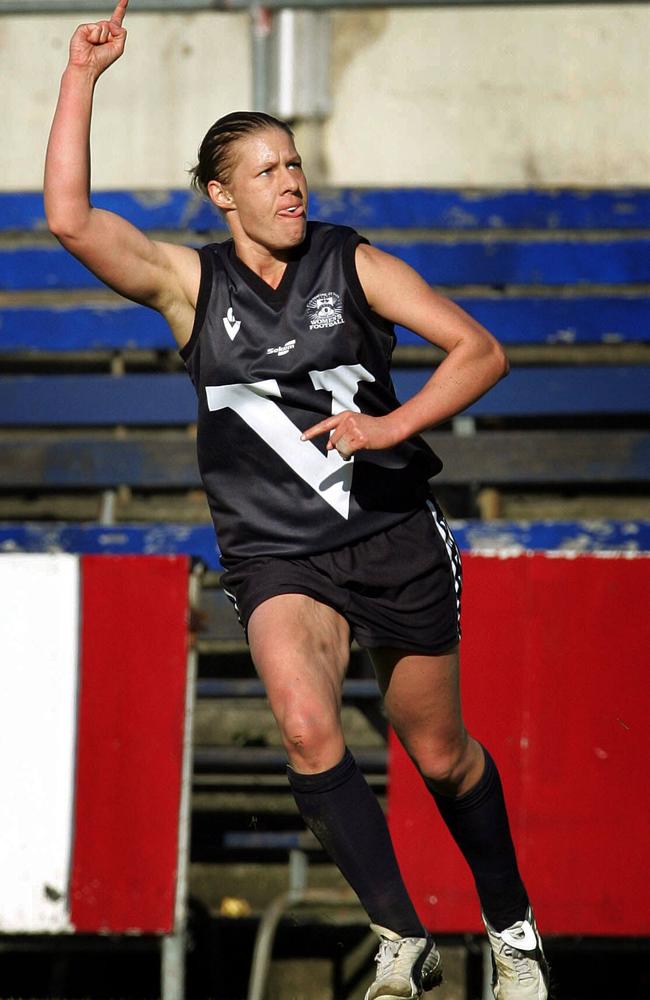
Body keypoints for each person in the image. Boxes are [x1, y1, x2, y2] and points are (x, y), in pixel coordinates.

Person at [45, 3, 550, 998]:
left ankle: (512, 927)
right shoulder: (190, 286)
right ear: (219, 194)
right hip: (277, 553)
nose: (289, 180)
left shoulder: (350, 261)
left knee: (440, 755)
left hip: (391, 533)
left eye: (293, 164)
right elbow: (68, 219)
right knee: (307, 727)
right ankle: (401, 937)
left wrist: (387, 429)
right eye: (265, 169)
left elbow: (478, 351)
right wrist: (82, 75)